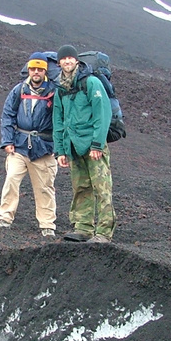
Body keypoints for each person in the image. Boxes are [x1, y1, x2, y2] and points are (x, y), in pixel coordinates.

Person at [52, 44, 116, 243]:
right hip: (73, 146)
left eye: (71, 58)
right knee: (80, 187)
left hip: (92, 145)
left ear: (76, 60)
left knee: (101, 187)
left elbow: (102, 113)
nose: (67, 61)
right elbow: (58, 120)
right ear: (59, 62)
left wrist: (97, 144)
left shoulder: (91, 82)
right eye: (64, 58)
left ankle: (104, 232)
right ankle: (83, 228)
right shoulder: (61, 89)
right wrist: (60, 150)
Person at [0, 53, 58, 237]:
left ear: (45, 71)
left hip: (44, 148)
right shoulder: (19, 90)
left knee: (45, 187)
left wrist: (58, 147)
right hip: (19, 145)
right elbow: (7, 115)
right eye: (33, 68)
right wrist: (7, 141)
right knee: (11, 179)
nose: (36, 72)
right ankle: (4, 217)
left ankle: (47, 224)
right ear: (28, 69)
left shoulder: (54, 91)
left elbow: (61, 120)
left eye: (40, 69)